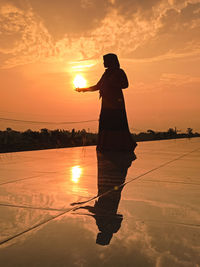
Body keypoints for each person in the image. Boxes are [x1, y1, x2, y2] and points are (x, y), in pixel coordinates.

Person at [76, 53, 137, 152]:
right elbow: (97, 86)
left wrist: (112, 83)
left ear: (111, 61)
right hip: (106, 104)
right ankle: (107, 145)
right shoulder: (105, 74)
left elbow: (125, 84)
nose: (103, 63)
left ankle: (119, 145)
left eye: (105, 61)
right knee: (106, 123)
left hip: (117, 104)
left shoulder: (119, 72)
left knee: (117, 123)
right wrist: (83, 89)